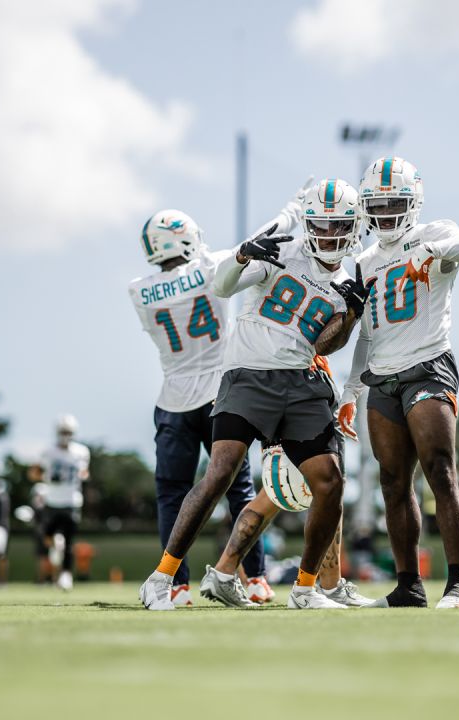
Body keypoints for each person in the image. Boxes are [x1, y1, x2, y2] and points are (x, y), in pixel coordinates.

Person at [140, 178, 368, 611]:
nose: (328, 235)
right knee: (221, 472)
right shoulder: (285, 249)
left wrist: (352, 314)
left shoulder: (344, 278)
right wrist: (242, 256)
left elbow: (325, 345)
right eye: (320, 225)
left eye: (339, 226)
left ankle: (305, 588)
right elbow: (224, 287)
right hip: (249, 375)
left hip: (300, 382)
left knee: (330, 481)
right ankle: (161, 577)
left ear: (354, 228)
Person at [128, 194, 309, 606]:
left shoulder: (139, 291)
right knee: (239, 489)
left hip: (173, 397)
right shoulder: (211, 267)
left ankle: (176, 584)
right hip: (219, 395)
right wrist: (292, 211)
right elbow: (261, 238)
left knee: (173, 493)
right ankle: (258, 577)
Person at [339, 156, 459, 609]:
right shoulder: (364, 262)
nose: (386, 214)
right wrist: (350, 391)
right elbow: (366, 333)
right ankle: (409, 585)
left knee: (440, 470)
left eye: (395, 203)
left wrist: (444, 251)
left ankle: (458, 585)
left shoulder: (435, 233)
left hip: (427, 365)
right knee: (391, 482)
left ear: (414, 203)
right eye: (377, 205)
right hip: (381, 376)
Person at [198, 441, 374, 607]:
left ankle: (222, 572)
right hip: (310, 415)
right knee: (326, 484)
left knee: (280, 488)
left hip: (290, 418)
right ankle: (328, 587)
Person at [41, 415, 90, 591]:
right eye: (63, 431)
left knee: (69, 541)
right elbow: (36, 472)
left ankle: (66, 575)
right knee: (47, 537)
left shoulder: (81, 451)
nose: (65, 435)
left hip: (71, 501)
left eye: (68, 432)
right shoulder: (48, 452)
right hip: (52, 500)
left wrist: (83, 475)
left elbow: (84, 472)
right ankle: (55, 550)